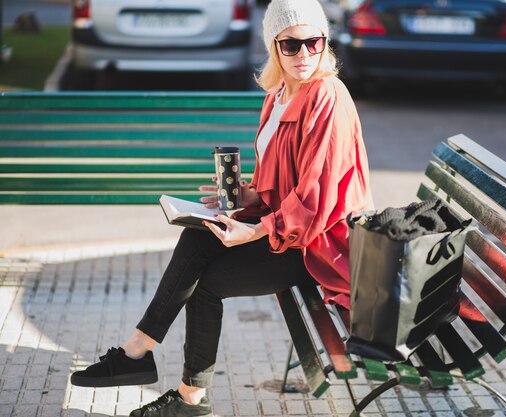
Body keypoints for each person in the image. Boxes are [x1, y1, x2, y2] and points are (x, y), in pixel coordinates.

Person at [70, 0, 372, 415]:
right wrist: (249, 198)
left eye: (313, 42)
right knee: (198, 236)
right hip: (288, 231)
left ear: (325, 43)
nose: (303, 54)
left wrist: (254, 229)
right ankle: (141, 355)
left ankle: (176, 387)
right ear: (274, 46)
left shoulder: (327, 97)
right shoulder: (278, 95)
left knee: (205, 281)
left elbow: (315, 199)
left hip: (319, 246)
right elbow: (282, 186)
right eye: (291, 45)